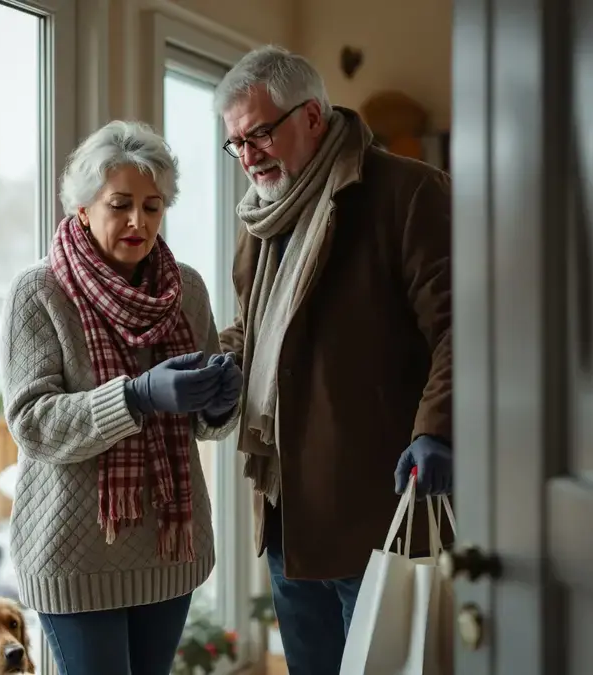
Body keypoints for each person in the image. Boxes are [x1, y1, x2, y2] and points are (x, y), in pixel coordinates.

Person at [213, 46, 453, 672]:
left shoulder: (408, 192)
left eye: (259, 134)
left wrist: (437, 431)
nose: (248, 155)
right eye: (236, 143)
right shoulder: (263, 218)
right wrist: (220, 366)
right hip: (286, 513)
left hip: (376, 504)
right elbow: (257, 330)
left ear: (313, 116)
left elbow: (461, 328)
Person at [0, 120, 243, 675]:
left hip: (168, 552)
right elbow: (32, 423)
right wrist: (135, 398)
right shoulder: (39, 291)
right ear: (83, 208)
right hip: (74, 555)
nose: (139, 221)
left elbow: (204, 426)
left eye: (153, 207)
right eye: (120, 204)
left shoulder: (186, 288)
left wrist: (219, 401)